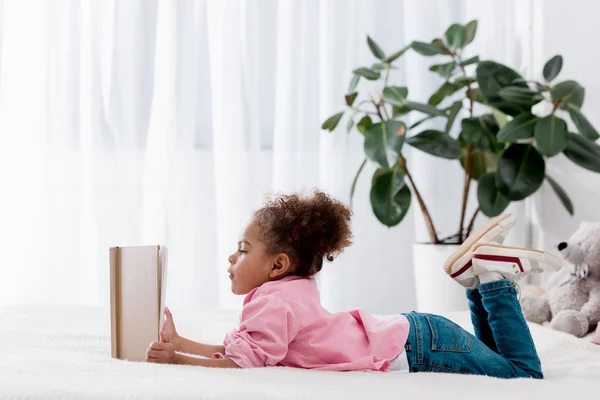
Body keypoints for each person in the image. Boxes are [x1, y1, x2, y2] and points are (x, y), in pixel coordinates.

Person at [145, 191, 560, 378]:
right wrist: (181, 342)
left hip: (417, 347)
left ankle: (491, 280)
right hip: (419, 335)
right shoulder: (289, 291)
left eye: (242, 249)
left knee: (524, 374)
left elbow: (240, 364)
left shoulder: (273, 303)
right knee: (500, 361)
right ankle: (476, 281)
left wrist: (179, 361)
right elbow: (242, 349)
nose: (231, 259)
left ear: (278, 265)